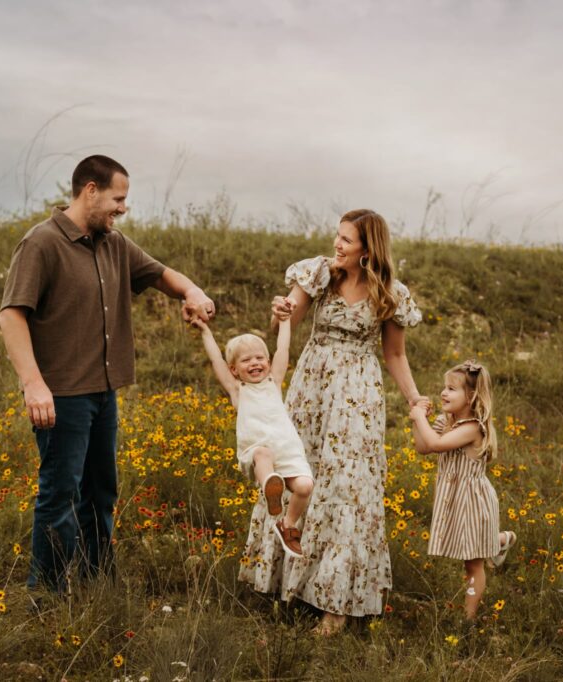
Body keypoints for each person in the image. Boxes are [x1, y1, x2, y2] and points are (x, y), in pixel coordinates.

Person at [0, 154, 214, 594]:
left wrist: (192, 292)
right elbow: (11, 316)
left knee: (101, 495)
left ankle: (99, 585)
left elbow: (160, 274)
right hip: (61, 396)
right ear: (90, 191)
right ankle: (47, 596)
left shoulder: (114, 243)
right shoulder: (41, 243)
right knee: (59, 497)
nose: (123, 208)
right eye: (118, 198)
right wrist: (33, 384)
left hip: (103, 393)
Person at [241, 209, 424, 635]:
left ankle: (337, 604)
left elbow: (395, 355)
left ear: (368, 248)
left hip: (357, 394)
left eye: (347, 240)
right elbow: (286, 321)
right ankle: (285, 583)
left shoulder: (390, 292)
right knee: (299, 473)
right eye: (337, 236)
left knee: (348, 488)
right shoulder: (319, 275)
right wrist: (280, 311)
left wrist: (415, 398)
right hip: (312, 387)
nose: (337, 245)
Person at [191, 314, 314, 557]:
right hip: (258, 454)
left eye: (260, 358)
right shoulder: (238, 390)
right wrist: (205, 331)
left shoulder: (273, 382)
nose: (255, 363)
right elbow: (216, 359)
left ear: (268, 362)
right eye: (246, 360)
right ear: (234, 369)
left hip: (288, 450)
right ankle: (271, 485)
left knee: (305, 486)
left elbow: (283, 349)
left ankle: (288, 525)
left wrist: (286, 321)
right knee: (263, 453)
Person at [409, 359, 516, 621]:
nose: (444, 393)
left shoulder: (472, 428)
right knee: (469, 550)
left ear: (471, 396)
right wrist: (418, 420)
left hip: (473, 501)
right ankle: (499, 541)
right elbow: (423, 447)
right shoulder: (448, 422)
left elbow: (435, 444)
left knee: (473, 563)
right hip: (456, 500)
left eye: (452, 389)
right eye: (444, 387)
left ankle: (468, 619)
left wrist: (419, 417)